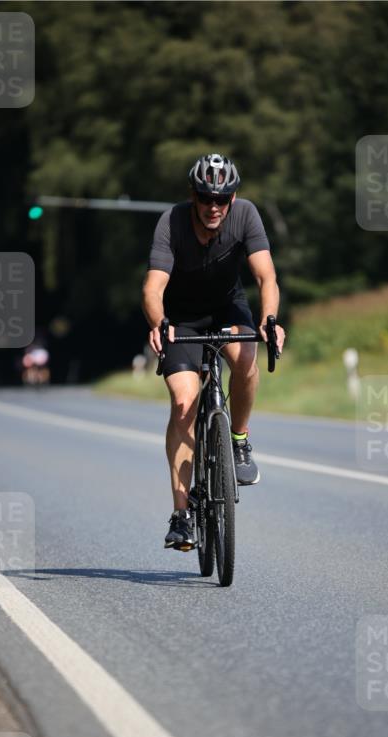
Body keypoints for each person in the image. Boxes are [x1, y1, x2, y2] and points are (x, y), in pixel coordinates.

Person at [143, 152, 286, 551]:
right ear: (193, 195)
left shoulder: (246, 216)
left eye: (222, 199)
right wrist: (159, 323)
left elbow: (266, 275)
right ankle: (181, 515)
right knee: (185, 403)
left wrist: (269, 319)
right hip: (182, 318)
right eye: (206, 197)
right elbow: (152, 288)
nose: (213, 207)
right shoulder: (171, 222)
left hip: (227, 307)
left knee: (245, 359)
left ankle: (238, 440)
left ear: (233, 198)